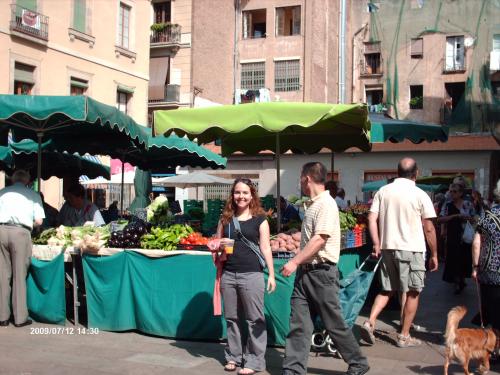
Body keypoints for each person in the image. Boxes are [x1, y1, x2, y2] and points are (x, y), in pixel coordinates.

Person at [281, 162, 369, 375]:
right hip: (307, 272)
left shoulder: (326, 204)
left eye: (301, 178)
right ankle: (293, 370)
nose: (300, 182)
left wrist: (294, 261)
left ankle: (358, 362)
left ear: (307, 178)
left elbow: (320, 239)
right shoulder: (313, 204)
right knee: (299, 325)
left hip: (321, 274)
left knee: (334, 323)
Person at [360, 158, 438, 348]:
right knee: (413, 291)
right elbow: (429, 228)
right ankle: (404, 335)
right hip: (411, 249)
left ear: (397, 172)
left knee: (387, 289)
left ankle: (369, 321)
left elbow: (371, 218)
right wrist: (435, 253)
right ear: (416, 173)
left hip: (388, 247)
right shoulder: (420, 194)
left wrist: (377, 243)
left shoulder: (383, 191)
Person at [215, 178, 276, 375]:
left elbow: (266, 248)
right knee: (232, 318)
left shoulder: (260, 220)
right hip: (229, 274)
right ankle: (233, 356)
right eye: (237, 192)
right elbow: (215, 246)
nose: (241, 196)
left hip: (252, 274)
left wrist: (272, 275)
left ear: (252, 196)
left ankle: (255, 360)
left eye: (245, 193)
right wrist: (219, 245)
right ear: (232, 195)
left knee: (254, 319)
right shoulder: (224, 220)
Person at [0, 170, 45, 327]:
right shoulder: (32, 194)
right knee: (19, 274)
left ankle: (2, 317)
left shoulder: (2, 192)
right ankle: (20, 318)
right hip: (20, 232)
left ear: (12, 180)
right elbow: (39, 221)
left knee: (2, 275)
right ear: (27, 181)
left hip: (1, 230)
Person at [471, 180, 500, 342]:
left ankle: (495, 347)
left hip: (489, 270)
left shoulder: (487, 215)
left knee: (492, 310)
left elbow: (476, 243)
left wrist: (475, 267)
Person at [438, 183, 475, 294]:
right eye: (451, 191)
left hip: (465, 236)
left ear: (460, 193)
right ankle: (457, 282)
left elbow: (475, 218)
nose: (452, 193)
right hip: (452, 236)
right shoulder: (447, 205)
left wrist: (467, 218)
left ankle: (461, 279)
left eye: (455, 191)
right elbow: (440, 219)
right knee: (453, 258)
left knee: (464, 258)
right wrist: (454, 216)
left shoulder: (468, 204)